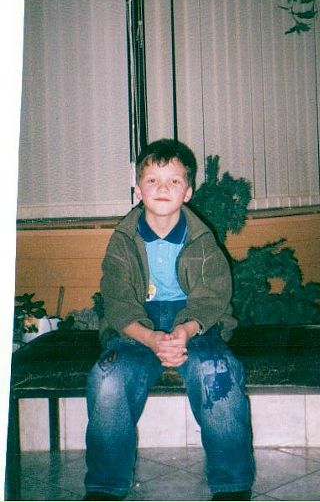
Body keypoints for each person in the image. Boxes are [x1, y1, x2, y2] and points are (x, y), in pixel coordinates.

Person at [84, 139, 255, 501]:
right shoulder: (122, 241)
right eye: (152, 180)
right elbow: (117, 302)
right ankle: (105, 486)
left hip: (193, 322)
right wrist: (150, 338)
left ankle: (232, 484)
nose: (162, 188)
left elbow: (213, 296)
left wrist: (184, 330)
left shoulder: (203, 241)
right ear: (138, 189)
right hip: (135, 327)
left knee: (216, 372)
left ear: (188, 192)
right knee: (107, 378)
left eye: (174, 181)